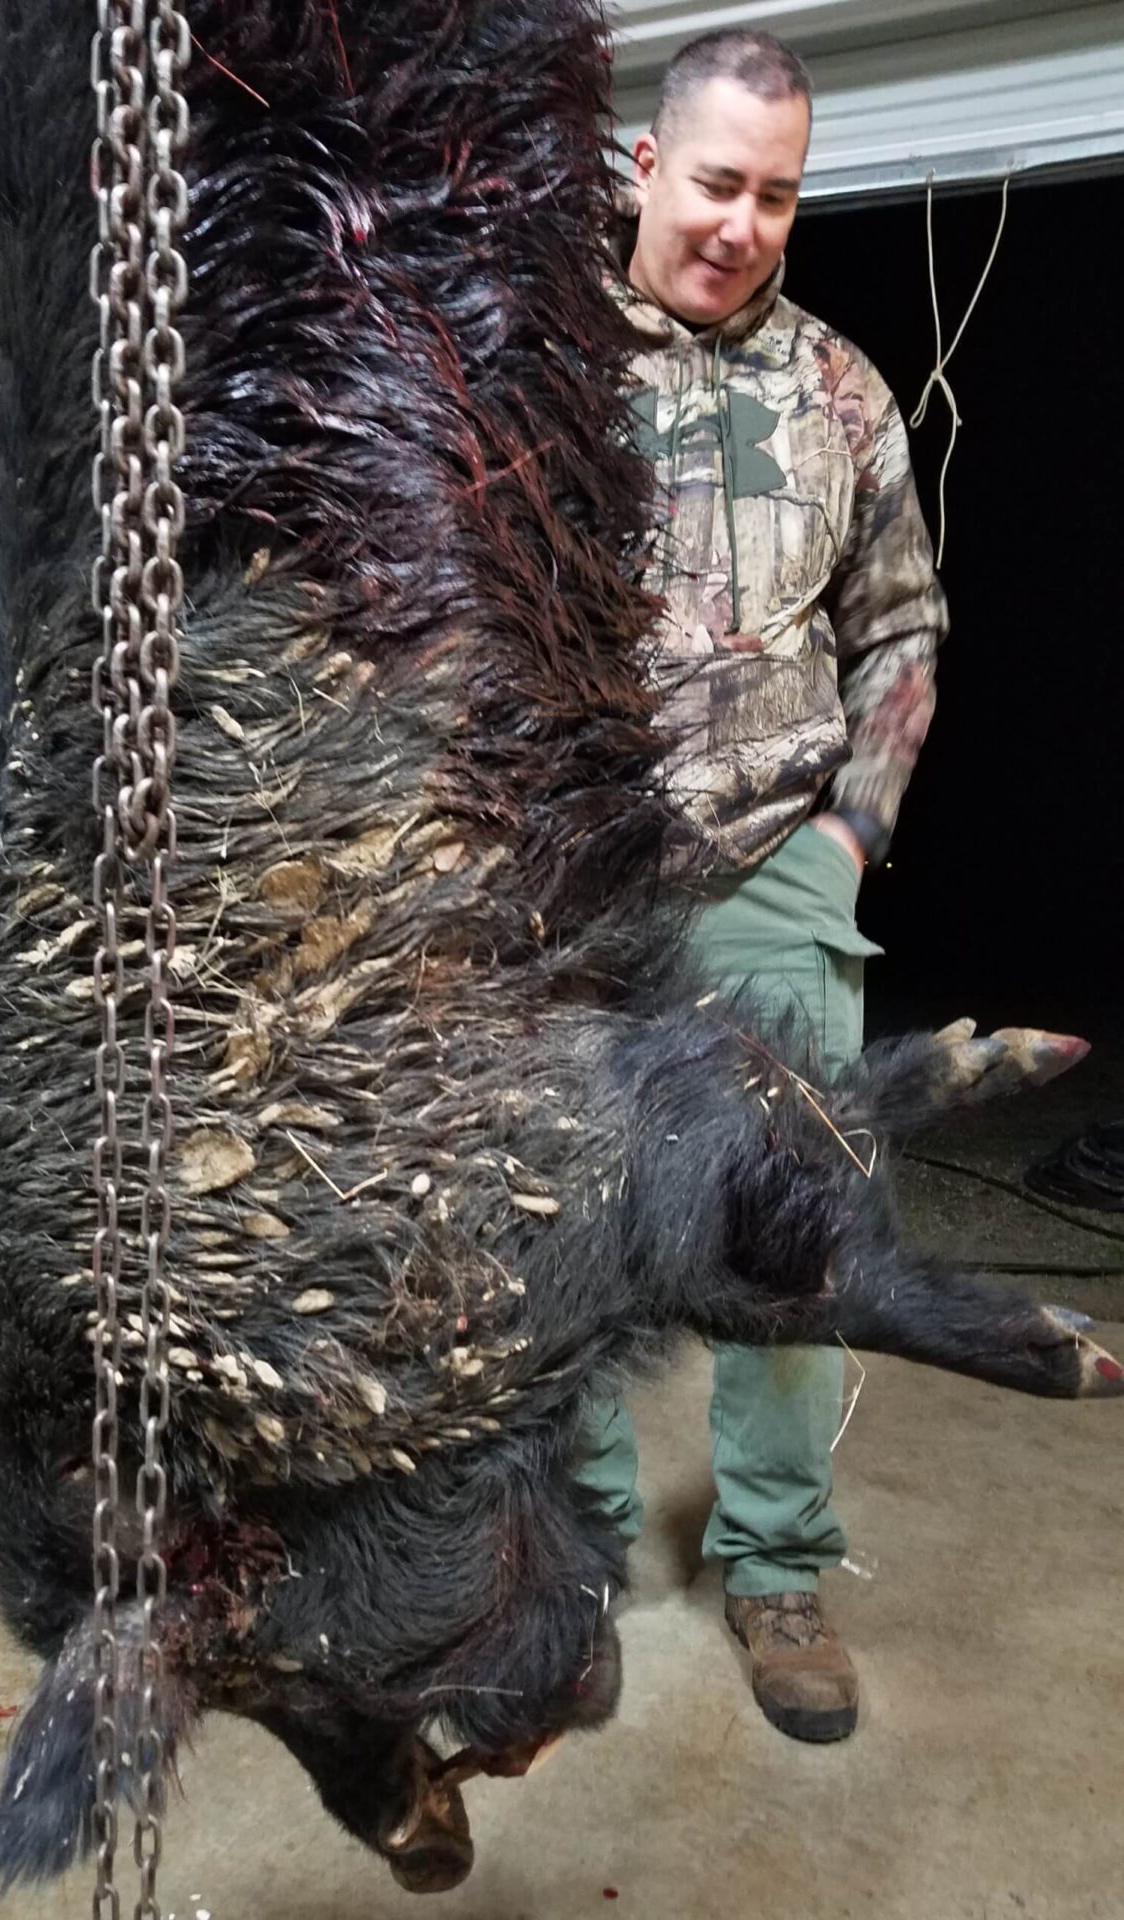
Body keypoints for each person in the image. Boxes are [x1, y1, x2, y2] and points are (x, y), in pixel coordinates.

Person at [576, 28, 947, 1744]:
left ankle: (780, 1560)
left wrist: (847, 842)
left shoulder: (845, 390)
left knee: (786, 1242)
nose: (742, 222)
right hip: (558, 891)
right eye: (717, 181)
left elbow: (902, 630)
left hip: (774, 877)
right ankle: (563, 1555)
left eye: (777, 194)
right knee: (556, 1237)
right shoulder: (531, 362)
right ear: (646, 166)